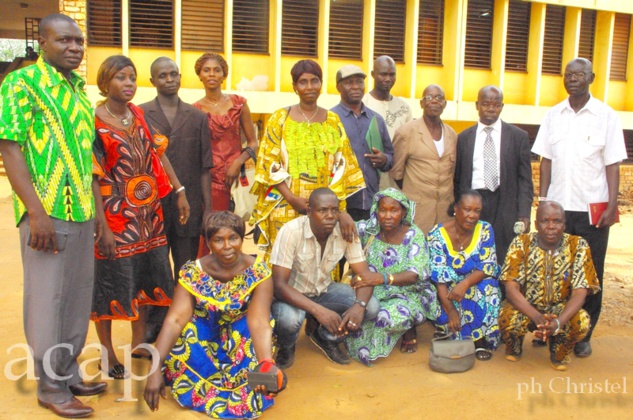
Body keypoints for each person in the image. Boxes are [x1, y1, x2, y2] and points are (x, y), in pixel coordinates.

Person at [0, 14, 106, 418]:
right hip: (47, 213)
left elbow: (84, 159)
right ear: (42, 42)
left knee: (77, 298)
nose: (75, 48)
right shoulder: (22, 84)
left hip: (79, 210)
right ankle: (49, 385)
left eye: (79, 41)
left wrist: (95, 211)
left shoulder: (78, 91)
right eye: (64, 40)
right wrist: (35, 212)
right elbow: (10, 147)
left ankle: (67, 370)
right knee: (48, 299)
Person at [91, 55, 188, 379]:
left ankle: (138, 345)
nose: (129, 84)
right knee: (108, 286)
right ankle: (106, 354)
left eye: (132, 77)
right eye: (121, 78)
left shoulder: (138, 115)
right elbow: (92, 176)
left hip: (149, 218)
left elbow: (158, 156)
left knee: (147, 282)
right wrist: (101, 225)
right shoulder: (95, 121)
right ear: (106, 83)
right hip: (115, 220)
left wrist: (179, 190)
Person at [144, 211, 285, 418]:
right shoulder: (193, 272)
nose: (227, 246)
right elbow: (175, 320)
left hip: (241, 333)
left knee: (248, 340)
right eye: (218, 240)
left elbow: (259, 321)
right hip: (205, 332)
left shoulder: (258, 272)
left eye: (233, 238)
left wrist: (265, 362)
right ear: (208, 242)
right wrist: (154, 367)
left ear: (241, 239)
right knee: (188, 330)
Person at [532, 58, 628, 358]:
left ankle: (583, 333)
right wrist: (543, 199)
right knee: (552, 271)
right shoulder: (552, 115)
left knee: (590, 273)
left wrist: (613, 205)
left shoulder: (606, 116)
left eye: (579, 74)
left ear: (591, 77)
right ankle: (550, 327)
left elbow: (612, 163)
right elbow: (545, 160)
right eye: (568, 74)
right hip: (557, 210)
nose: (573, 79)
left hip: (592, 209)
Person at [250, 59, 365, 258]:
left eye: (315, 81)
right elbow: (269, 164)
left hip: (325, 211)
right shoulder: (280, 119)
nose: (309, 87)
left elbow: (341, 166)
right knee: (284, 262)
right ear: (295, 87)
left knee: (319, 260)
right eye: (303, 82)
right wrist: (292, 198)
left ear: (321, 84)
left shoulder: (333, 120)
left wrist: (340, 211)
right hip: (285, 205)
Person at [140, 57, 214, 343]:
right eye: (162, 75)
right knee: (156, 264)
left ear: (181, 77)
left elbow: (205, 167)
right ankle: (155, 322)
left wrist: (207, 209)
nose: (169, 79)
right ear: (153, 81)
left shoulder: (197, 117)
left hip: (190, 202)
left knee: (185, 264)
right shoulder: (142, 114)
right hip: (152, 204)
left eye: (173, 74)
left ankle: (184, 319)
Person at [271, 188, 380, 368]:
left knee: (371, 307)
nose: (330, 216)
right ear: (309, 211)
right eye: (322, 210)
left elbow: (365, 276)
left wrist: (359, 307)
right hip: (291, 295)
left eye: (334, 210)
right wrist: (318, 311)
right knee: (290, 321)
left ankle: (326, 337)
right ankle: (286, 346)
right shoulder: (291, 231)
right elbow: (279, 286)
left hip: (324, 290)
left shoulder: (345, 231)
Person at [498, 201, 600, 371]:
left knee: (581, 322)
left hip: (560, 310)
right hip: (528, 308)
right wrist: (537, 317)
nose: (551, 226)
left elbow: (580, 293)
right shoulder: (521, 243)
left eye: (557, 221)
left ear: (564, 224)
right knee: (506, 316)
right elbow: (511, 289)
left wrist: (558, 323)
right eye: (545, 221)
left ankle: (560, 349)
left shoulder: (578, 245)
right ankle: (514, 345)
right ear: (536, 224)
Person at [345, 189, 440, 365]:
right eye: (383, 210)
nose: (387, 216)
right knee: (358, 317)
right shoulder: (369, 230)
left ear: (403, 212)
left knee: (383, 317)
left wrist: (382, 278)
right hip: (372, 290)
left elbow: (414, 275)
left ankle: (408, 329)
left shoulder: (413, 235)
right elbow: (341, 226)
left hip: (408, 292)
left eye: (394, 210)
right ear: (376, 210)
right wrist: (344, 216)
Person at [454, 85, 533, 264]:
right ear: (477, 105)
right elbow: (458, 178)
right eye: (485, 104)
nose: (490, 109)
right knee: (472, 253)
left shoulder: (518, 137)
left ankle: (502, 292)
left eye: (496, 105)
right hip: (474, 202)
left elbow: (525, 180)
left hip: (505, 203)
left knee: (504, 256)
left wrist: (524, 213)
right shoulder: (464, 137)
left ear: (502, 107)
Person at [193, 52, 258, 256]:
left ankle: (232, 279)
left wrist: (237, 162)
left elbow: (254, 143)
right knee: (211, 232)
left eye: (217, 70)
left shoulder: (239, 104)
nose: (212, 74)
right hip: (210, 183)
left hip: (236, 180)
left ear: (224, 75)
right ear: (200, 75)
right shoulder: (195, 110)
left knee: (233, 231)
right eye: (206, 70)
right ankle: (206, 279)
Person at [428, 189, 501, 361]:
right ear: (456, 209)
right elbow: (439, 279)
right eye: (467, 209)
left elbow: (487, 265)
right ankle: (452, 332)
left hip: (474, 282)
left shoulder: (485, 229)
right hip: (447, 289)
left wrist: (465, 283)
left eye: (477, 211)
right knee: (430, 295)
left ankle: (480, 340)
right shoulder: (436, 235)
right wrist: (451, 310)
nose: (472, 215)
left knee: (489, 287)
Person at [391, 84, 458, 234]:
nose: (434, 101)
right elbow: (396, 173)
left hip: (444, 212)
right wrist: (415, 190)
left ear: (445, 104)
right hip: (418, 211)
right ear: (421, 103)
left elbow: (452, 172)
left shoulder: (452, 134)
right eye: (428, 97)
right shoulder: (406, 132)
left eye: (438, 98)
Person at [331, 65, 394, 222]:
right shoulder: (330, 119)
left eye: (359, 82)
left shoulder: (376, 120)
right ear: (338, 87)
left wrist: (384, 159)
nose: (355, 87)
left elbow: (391, 156)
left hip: (372, 202)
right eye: (349, 82)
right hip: (341, 204)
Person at [363, 55, 412, 190]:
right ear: (373, 74)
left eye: (392, 75)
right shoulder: (362, 103)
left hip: (397, 180)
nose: (388, 79)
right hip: (369, 177)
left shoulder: (404, 108)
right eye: (383, 74)